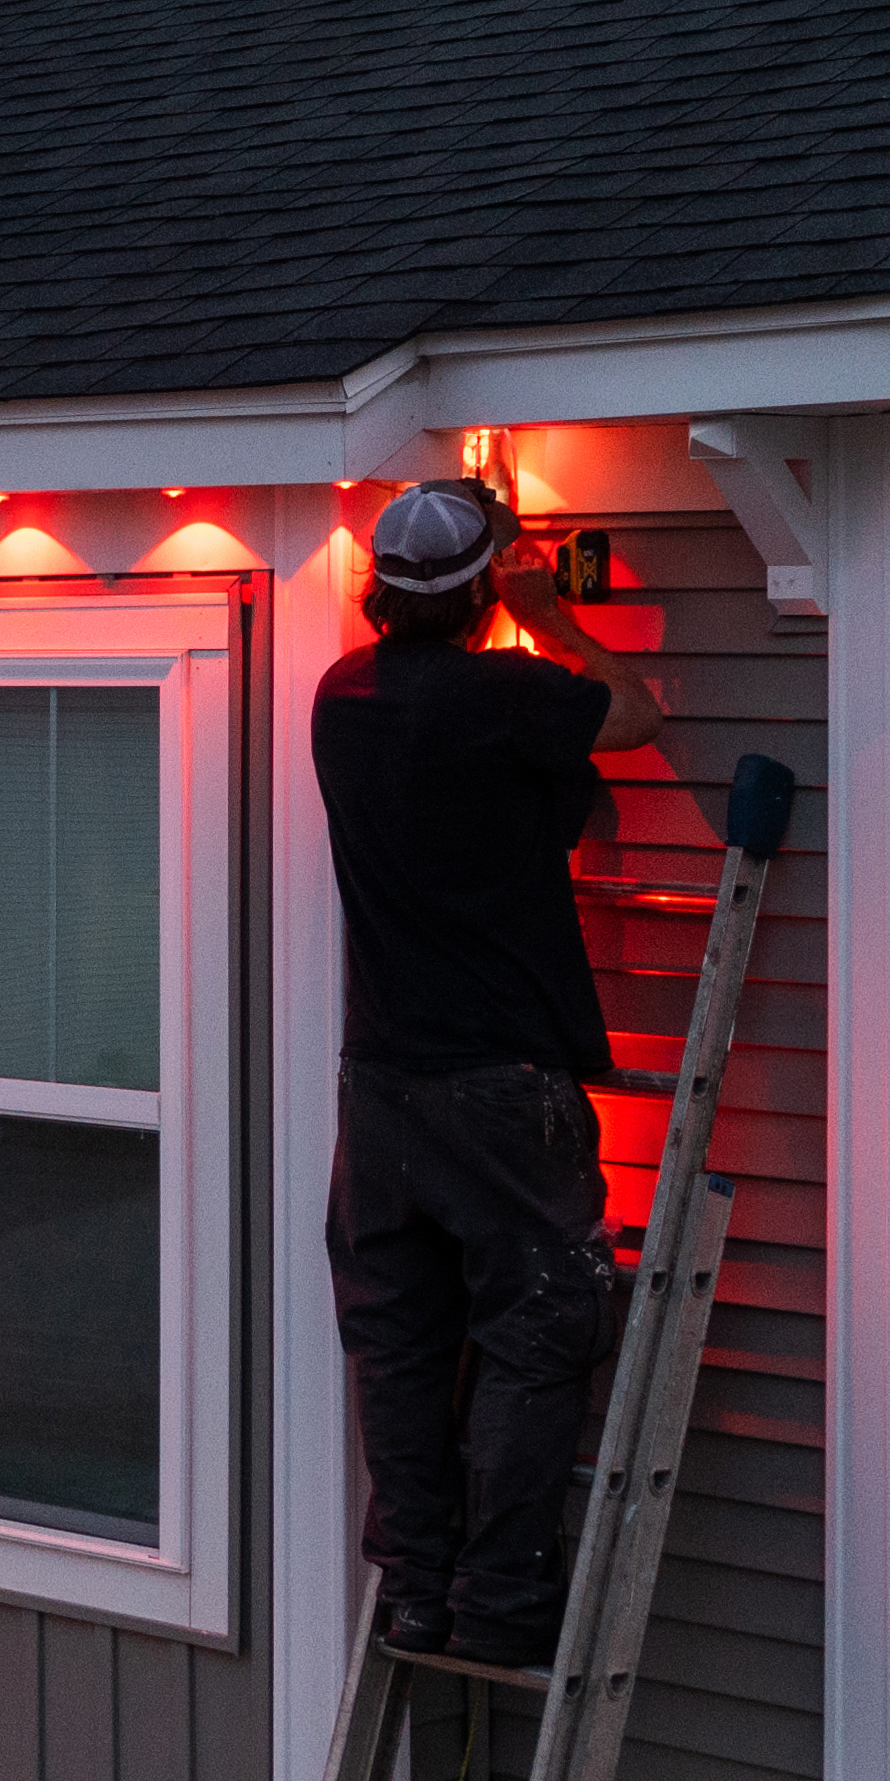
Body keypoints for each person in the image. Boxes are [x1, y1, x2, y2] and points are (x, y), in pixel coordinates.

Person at [312, 475, 665, 1670]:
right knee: (536, 1326)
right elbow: (632, 714)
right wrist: (551, 615)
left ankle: (416, 1589)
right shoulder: (505, 694)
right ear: (476, 589)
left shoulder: (340, 697)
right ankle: (501, 1603)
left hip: (382, 1085)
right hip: (500, 1084)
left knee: (401, 1339)